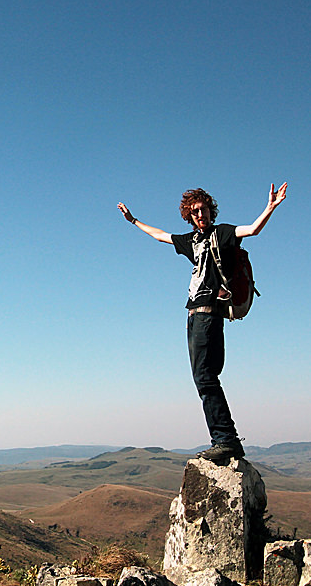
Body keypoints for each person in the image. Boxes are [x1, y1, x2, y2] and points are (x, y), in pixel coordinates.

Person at [116, 183, 287, 464]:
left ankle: (226, 440)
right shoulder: (191, 241)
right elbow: (160, 236)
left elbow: (253, 229)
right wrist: (133, 221)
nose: (200, 215)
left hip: (208, 314)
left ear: (211, 210)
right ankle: (226, 439)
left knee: (205, 379)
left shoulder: (223, 233)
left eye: (203, 209)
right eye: (194, 211)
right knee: (206, 378)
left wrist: (271, 206)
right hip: (195, 315)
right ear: (188, 215)